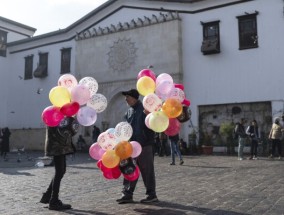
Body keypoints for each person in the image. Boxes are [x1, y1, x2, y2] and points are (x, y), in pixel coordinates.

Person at [116, 89, 158, 204]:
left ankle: (151, 195)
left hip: (144, 145)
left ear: (134, 98)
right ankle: (127, 194)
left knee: (147, 171)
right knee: (129, 169)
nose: (125, 99)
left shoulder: (145, 109)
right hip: (131, 147)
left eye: (127, 97)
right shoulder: (128, 112)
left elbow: (153, 124)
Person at [40, 117, 78, 211]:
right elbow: (63, 131)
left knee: (61, 171)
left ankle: (48, 196)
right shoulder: (56, 116)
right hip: (58, 147)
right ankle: (54, 201)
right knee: (59, 171)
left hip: (58, 146)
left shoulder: (56, 114)